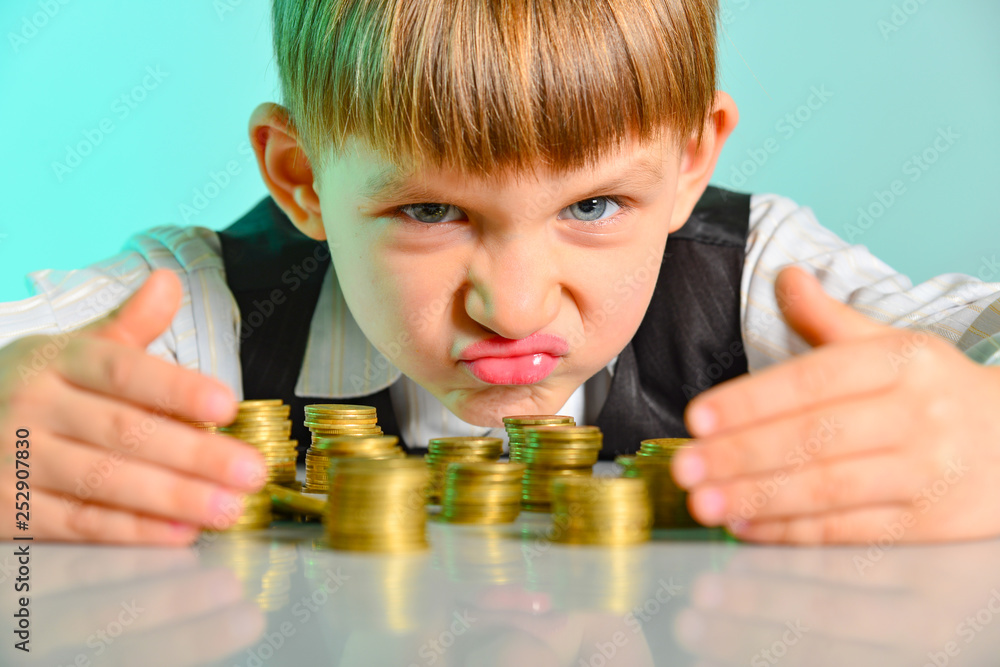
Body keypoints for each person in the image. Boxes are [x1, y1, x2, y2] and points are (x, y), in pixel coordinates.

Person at [3, 0, 1000, 546]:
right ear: (299, 178)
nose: (514, 305)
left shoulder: (765, 277)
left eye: (593, 206)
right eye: (430, 211)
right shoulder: (196, 306)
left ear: (693, 160)